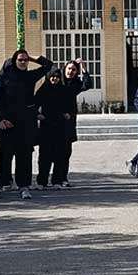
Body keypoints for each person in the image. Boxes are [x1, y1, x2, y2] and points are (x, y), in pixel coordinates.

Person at [0, 49, 53, 199]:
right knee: (5, 155)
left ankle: (24, 185)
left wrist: (31, 58)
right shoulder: (3, 78)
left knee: (25, 155)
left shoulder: (29, 76)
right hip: (7, 122)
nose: (23, 62)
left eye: (25, 60)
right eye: (20, 60)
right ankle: (2, 184)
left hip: (26, 121)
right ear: (13, 61)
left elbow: (48, 65)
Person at [41, 58, 93, 188]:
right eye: (69, 69)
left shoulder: (75, 85)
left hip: (68, 122)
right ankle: (43, 180)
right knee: (48, 152)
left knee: (65, 152)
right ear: (64, 69)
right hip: (53, 121)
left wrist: (83, 68)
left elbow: (87, 84)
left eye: (74, 70)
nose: (71, 72)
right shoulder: (58, 82)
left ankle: (61, 178)